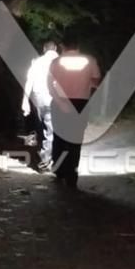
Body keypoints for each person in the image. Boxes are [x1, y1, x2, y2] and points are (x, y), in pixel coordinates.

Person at [48, 36, 102, 189]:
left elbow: (50, 84)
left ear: (62, 46)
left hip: (60, 102)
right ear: (78, 45)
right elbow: (96, 81)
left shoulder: (56, 62)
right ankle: (72, 175)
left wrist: (59, 101)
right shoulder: (89, 60)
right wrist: (85, 83)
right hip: (80, 103)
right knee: (75, 140)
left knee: (59, 137)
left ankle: (59, 170)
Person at [21, 41, 59, 171]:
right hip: (57, 98)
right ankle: (49, 159)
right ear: (55, 48)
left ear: (44, 49)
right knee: (52, 129)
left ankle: (46, 158)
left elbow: (29, 82)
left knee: (45, 127)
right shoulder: (60, 61)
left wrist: (25, 100)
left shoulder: (36, 62)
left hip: (40, 98)